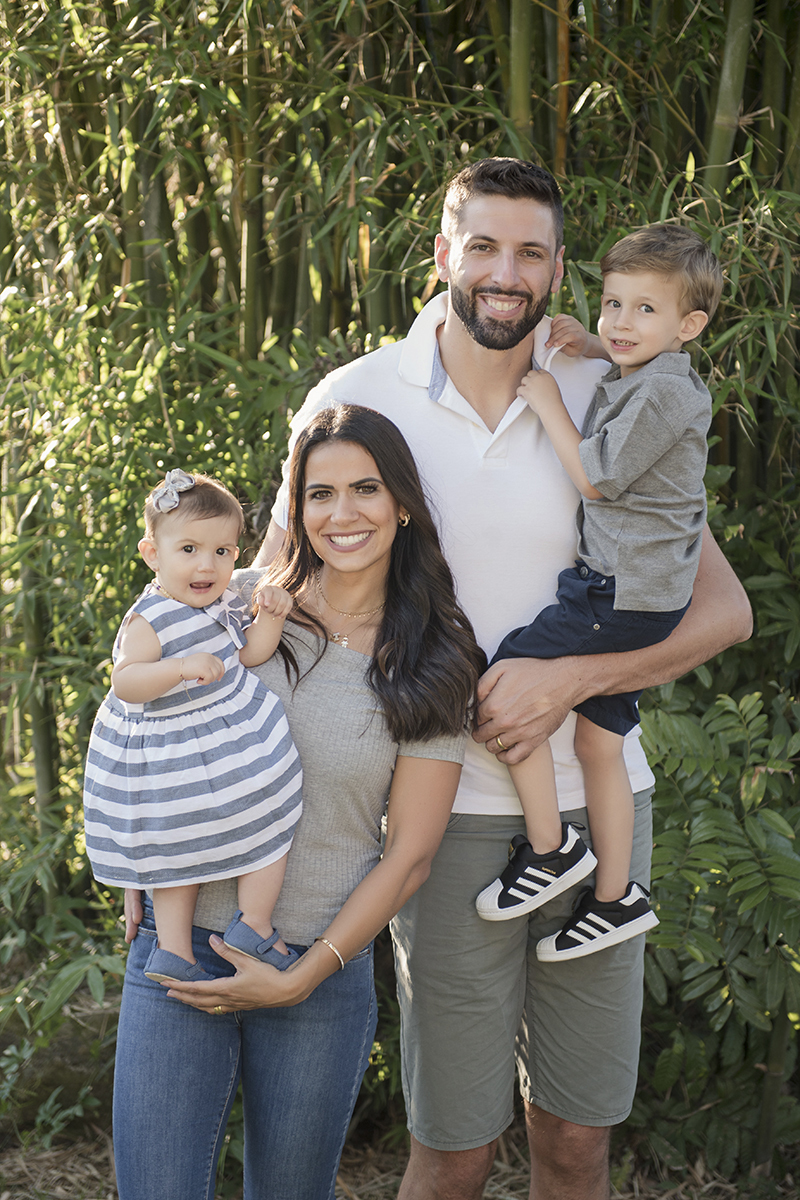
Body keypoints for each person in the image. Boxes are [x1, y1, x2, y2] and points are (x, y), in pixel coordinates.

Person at [250, 158, 751, 1200]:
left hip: (598, 811)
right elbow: (272, 597)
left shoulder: (610, 391)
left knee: (574, 1145)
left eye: (531, 253)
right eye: (482, 246)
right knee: (452, 1154)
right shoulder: (355, 399)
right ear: (444, 255)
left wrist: (569, 682)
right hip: (435, 820)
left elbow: (721, 610)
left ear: (559, 272)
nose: (505, 272)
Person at [114, 405, 485, 1200]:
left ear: (402, 503)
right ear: (297, 508)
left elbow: (411, 854)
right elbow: (141, 728)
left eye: (365, 489)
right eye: (320, 494)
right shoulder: (233, 601)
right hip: (179, 950)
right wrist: (140, 860)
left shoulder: (436, 655)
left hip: (313, 967)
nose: (342, 513)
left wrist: (304, 976)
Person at [475, 226, 724, 965]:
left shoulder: (664, 392)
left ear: (689, 326)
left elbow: (597, 477)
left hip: (617, 593)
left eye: (644, 310)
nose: (620, 322)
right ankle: (618, 897)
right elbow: (624, 360)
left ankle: (551, 847)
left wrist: (548, 400)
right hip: (648, 594)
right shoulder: (656, 371)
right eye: (613, 303)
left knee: (503, 683)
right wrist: (592, 345)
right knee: (599, 743)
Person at [83, 469, 303, 983]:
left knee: (270, 814)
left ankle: (254, 923)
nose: (207, 565)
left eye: (222, 552)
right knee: (174, 856)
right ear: (152, 554)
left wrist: (271, 615)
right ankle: (174, 950)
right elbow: (126, 681)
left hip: (228, 750)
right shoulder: (150, 618)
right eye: (188, 550)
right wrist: (179, 668)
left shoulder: (224, 602)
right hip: (172, 760)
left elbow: (250, 653)